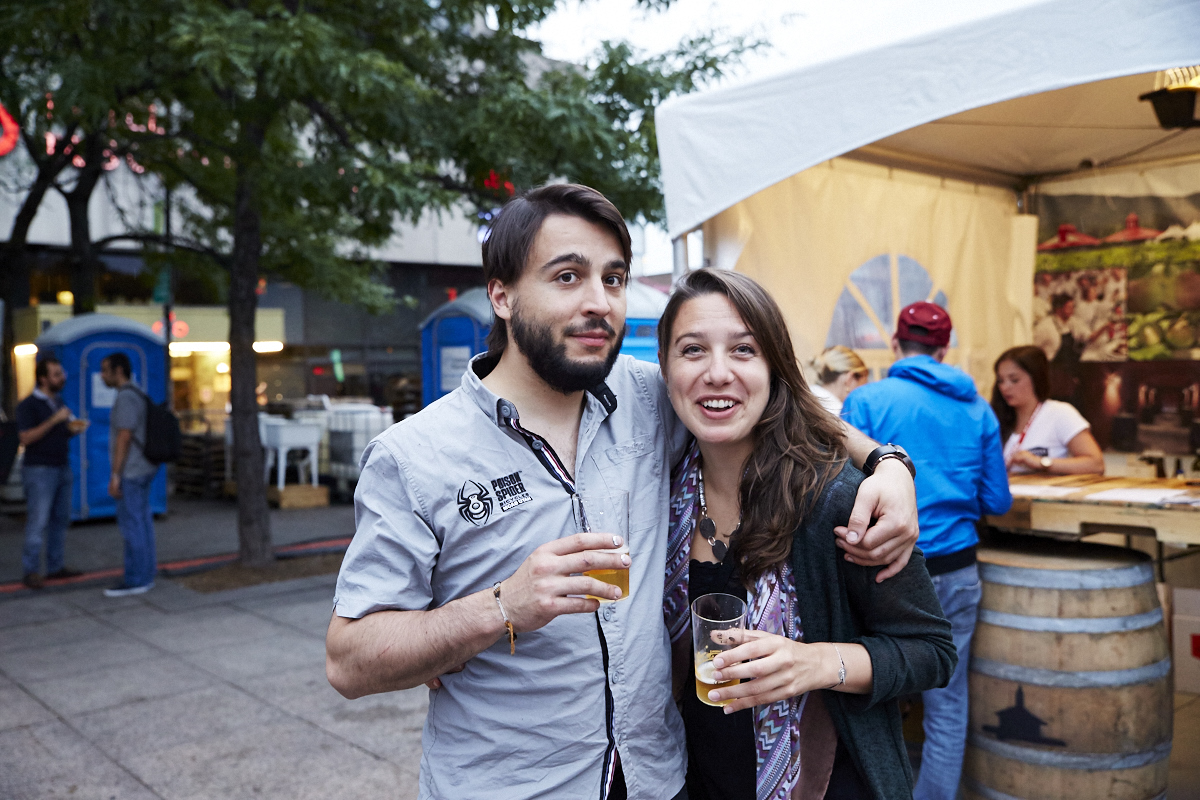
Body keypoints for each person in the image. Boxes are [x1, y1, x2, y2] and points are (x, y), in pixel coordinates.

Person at [325, 183, 922, 800]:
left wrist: (887, 463)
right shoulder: (414, 456)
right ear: (501, 295)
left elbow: (777, 399)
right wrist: (499, 607)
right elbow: (348, 660)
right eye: (567, 277)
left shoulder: (646, 396)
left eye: (613, 279)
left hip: (655, 780)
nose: (599, 302)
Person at [660, 271, 957, 800]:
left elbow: (931, 651)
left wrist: (817, 663)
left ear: (775, 368)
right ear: (664, 370)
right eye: (692, 350)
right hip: (694, 779)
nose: (717, 372)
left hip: (824, 784)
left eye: (744, 350)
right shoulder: (663, 490)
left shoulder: (837, 501)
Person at [842, 301, 1012, 800]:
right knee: (948, 698)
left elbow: (842, 488)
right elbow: (997, 500)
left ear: (896, 345)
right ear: (943, 349)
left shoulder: (867, 400)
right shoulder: (978, 407)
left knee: (873, 689)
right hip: (957, 567)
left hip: (882, 567)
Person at [15, 355, 85, 589]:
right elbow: (25, 437)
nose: (62, 378)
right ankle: (31, 570)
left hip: (62, 466)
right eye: (56, 374)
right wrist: (55, 420)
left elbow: (59, 433)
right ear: (43, 379)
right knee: (38, 520)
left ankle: (55, 566)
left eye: (61, 373)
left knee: (60, 519)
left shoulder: (58, 402)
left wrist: (73, 429)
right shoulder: (28, 405)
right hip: (39, 470)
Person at [991, 345, 1104, 475]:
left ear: (1036, 378)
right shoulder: (995, 417)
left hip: (1045, 493)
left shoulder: (1059, 413)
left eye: (1014, 380)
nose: (1005, 387)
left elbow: (1096, 464)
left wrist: (1041, 462)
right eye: (1000, 381)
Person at [100, 352, 159, 597]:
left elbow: (124, 436)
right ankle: (145, 574)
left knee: (132, 524)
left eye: (105, 370)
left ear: (119, 371)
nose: (102, 375)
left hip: (132, 471)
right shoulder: (138, 392)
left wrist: (115, 476)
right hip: (144, 467)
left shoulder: (125, 398)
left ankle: (136, 578)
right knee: (142, 522)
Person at [806, 345, 868, 416]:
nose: (861, 393)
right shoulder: (841, 415)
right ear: (849, 379)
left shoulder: (804, 398)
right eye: (862, 385)